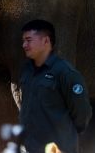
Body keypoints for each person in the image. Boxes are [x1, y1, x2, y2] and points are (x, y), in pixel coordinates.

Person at [19, 19, 92, 153]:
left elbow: (82, 114)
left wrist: (66, 136)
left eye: (29, 40)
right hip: (30, 147)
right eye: (23, 41)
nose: (24, 45)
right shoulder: (27, 71)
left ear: (46, 41)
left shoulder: (65, 73)